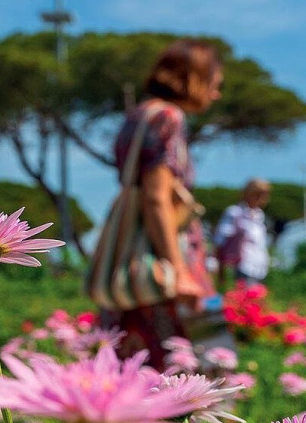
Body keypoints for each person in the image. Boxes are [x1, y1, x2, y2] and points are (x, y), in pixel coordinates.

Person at [102, 39, 223, 365]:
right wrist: (178, 270)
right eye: (213, 83)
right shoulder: (167, 117)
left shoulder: (137, 116)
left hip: (131, 258)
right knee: (181, 365)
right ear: (192, 78)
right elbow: (157, 198)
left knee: (130, 366)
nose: (216, 94)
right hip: (161, 258)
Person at [214, 178, 271, 285]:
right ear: (247, 193)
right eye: (257, 194)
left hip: (260, 270)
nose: (261, 198)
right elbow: (219, 241)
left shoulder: (260, 216)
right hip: (241, 268)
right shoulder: (234, 212)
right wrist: (221, 270)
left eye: (264, 195)